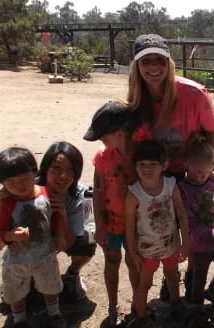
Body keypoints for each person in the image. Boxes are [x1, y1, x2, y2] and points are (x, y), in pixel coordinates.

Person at [127, 33, 214, 300]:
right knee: (160, 226)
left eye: (160, 60)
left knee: (191, 229)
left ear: (169, 63)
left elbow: (210, 132)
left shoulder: (194, 93)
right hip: (155, 174)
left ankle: (185, 284)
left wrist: (208, 169)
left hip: (188, 173)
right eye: (146, 61)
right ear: (137, 66)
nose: (154, 68)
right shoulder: (136, 98)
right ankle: (166, 277)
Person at [0, 147, 66, 328]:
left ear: (34, 172)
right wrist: (10, 235)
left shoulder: (47, 195)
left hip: (45, 256)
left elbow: (53, 218)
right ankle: (19, 319)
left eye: (24, 178)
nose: (19, 185)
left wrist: (59, 235)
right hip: (16, 260)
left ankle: (54, 313)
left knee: (51, 287)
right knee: (16, 292)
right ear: (2, 184)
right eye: (11, 182)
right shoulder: (8, 203)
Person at [83, 100, 143, 326]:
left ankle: (139, 304)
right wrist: (99, 225)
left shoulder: (142, 156)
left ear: (119, 133)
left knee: (134, 262)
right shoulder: (103, 156)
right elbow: (98, 191)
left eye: (102, 135)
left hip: (135, 225)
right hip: (110, 223)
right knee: (111, 260)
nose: (100, 140)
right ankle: (112, 306)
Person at [125, 140, 189, 327]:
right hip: (147, 250)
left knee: (172, 275)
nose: (147, 169)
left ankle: (176, 304)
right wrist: (132, 252)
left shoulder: (170, 185)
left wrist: (184, 243)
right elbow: (129, 227)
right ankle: (142, 317)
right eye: (142, 164)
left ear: (164, 165)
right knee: (144, 284)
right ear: (135, 166)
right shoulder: (134, 194)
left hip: (170, 245)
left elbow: (181, 215)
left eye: (153, 164)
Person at [177, 135, 214, 326]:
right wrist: (209, 233)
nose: (202, 175)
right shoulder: (183, 189)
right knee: (199, 275)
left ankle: (213, 292)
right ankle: (196, 308)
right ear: (187, 164)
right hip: (200, 243)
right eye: (198, 171)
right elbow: (188, 220)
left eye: (207, 171)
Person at [35, 141, 96, 301]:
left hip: (63, 235)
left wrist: (61, 213)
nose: (63, 176)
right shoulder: (29, 190)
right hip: (35, 239)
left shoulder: (83, 196)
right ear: (45, 168)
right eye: (56, 168)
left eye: (71, 170)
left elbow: (69, 243)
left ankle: (72, 275)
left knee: (89, 237)